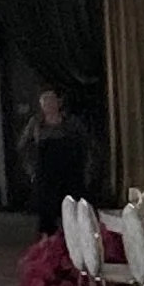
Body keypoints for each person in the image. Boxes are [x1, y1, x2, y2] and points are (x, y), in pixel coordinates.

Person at [22, 84, 93, 236]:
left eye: (53, 102)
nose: (50, 106)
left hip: (71, 171)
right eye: (46, 103)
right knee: (47, 208)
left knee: (74, 204)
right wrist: (31, 169)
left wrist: (87, 168)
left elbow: (86, 145)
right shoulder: (36, 123)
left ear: (59, 103)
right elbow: (24, 146)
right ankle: (48, 240)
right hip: (46, 172)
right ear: (41, 106)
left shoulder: (71, 122)